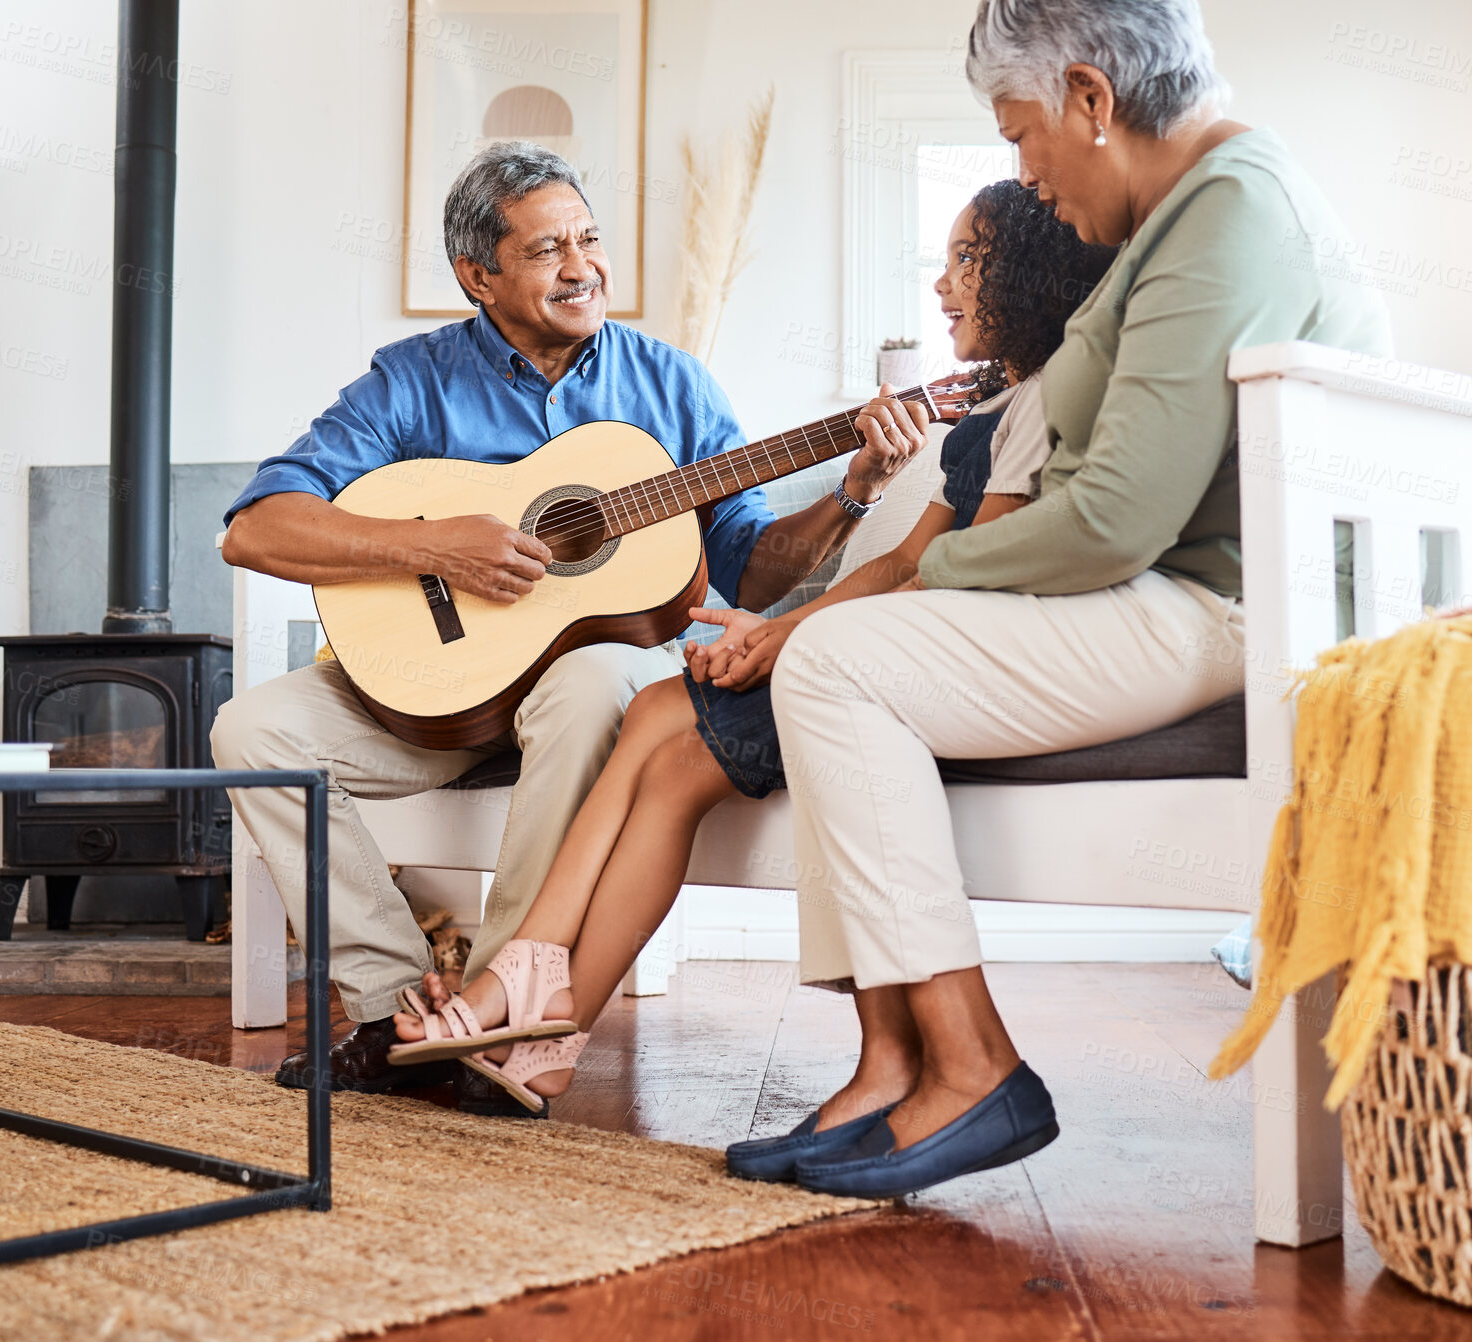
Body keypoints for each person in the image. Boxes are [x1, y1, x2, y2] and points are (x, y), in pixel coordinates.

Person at [747, 0, 1394, 1198]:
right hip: (1203, 595)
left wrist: (907, 574)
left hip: (1225, 612)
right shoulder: (1192, 214)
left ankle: (969, 1065)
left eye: (1018, 133)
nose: (1024, 176)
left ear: (1091, 100)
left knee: (833, 661)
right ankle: (894, 1063)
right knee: (838, 650)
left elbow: (1114, 520)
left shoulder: (1229, 209)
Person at [210, 140, 927, 1108]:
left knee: (590, 680)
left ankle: (495, 1016)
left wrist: (854, 490)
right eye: (548, 250)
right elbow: (257, 528)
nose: (582, 266)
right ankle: (387, 1013)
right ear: (478, 273)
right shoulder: (410, 380)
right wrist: (430, 548)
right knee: (250, 729)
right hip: (435, 698)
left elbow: (753, 565)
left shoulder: (671, 385)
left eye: (589, 240)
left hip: (587, 697)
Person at [386, 180, 1116, 1117]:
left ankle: (523, 999)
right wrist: (774, 630)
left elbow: (953, 574)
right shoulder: (987, 413)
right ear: (475, 278)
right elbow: (901, 559)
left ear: (1029, 276)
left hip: (921, 659)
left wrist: (783, 634)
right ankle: (540, 1027)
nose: (938, 288)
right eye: (545, 249)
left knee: (655, 716)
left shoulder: (1038, 404)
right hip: (875, 635)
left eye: (962, 262)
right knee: (657, 721)